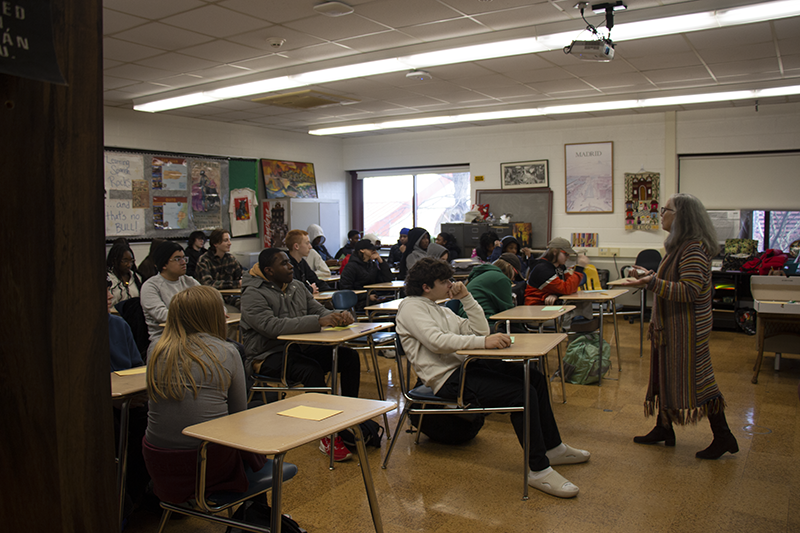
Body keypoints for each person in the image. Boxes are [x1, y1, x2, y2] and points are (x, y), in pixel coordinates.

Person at [395, 258, 589, 498]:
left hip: (466, 368)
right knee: (521, 393)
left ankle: (554, 447)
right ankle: (538, 469)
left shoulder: (441, 309)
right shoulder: (411, 307)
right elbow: (437, 342)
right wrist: (483, 342)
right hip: (447, 380)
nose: (450, 285)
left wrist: (466, 298)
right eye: (444, 281)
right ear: (426, 286)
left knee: (534, 378)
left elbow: (480, 330)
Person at [621, 193, 738, 460]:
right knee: (664, 374)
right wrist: (648, 276)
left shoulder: (694, 249)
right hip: (672, 327)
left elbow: (689, 291)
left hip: (686, 330)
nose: (661, 214)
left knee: (700, 381)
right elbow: (676, 282)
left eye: (666, 210)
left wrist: (649, 283)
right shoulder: (680, 247)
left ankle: (724, 436)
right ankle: (664, 428)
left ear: (681, 216)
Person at [142, 285, 268, 507]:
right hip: (207, 463)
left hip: (158, 462)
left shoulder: (155, 349)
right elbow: (238, 416)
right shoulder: (226, 351)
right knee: (257, 419)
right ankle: (259, 515)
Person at [240, 248, 361, 462]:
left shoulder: (295, 286)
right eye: (284, 264)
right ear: (269, 271)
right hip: (266, 355)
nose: (290, 267)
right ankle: (326, 435)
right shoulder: (253, 293)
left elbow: (317, 310)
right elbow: (271, 326)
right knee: (311, 371)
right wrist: (317, 322)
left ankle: (348, 419)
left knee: (348, 357)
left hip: (299, 347)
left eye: (289, 262)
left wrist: (336, 317)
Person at [107, 278, 150, 518]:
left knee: (152, 427)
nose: (109, 294)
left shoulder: (119, 325)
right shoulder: (74, 329)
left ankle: (135, 496)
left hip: (131, 397)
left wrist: (139, 392)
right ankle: (123, 503)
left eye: (108, 288)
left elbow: (137, 366)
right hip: (104, 402)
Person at [140, 241, 200, 343]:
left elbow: (210, 300)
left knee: (232, 348)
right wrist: (196, 316)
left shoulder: (189, 281)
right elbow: (163, 315)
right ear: (164, 264)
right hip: (165, 341)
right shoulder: (150, 286)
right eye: (177, 259)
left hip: (192, 336)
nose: (183, 262)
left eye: (184, 258)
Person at [525, 237, 592, 324]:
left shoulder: (560, 266)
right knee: (570, 315)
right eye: (566, 254)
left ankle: (588, 334)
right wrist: (580, 268)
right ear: (555, 251)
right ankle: (578, 335)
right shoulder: (542, 269)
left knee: (585, 303)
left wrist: (556, 294)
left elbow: (572, 287)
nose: (568, 257)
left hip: (551, 306)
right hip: (537, 312)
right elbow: (567, 288)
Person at [456, 258, 519, 331]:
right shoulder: (501, 278)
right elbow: (508, 312)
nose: (514, 278)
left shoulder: (483, 274)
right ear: (509, 267)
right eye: (516, 274)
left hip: (468, 321)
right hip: (485, 323)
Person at [339, 238, 393, 310]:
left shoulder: (371, 265)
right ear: (362, 250)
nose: (374, 251)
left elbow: (387, 279)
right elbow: (345, 290)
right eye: (371, 250)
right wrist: (367, 296)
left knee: (391, 303)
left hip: (372, 298)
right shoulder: (351, 267)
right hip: (358, 302)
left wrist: (381, 261)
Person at [285, 229, 331, 295]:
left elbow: (314, 280)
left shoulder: (301, 262)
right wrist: (310, 289)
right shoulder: (287, 265)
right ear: (296, 246)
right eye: (307, 243)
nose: (310, 247)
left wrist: (331, 291)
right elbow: (295, 287)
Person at [107, 241, 143, 306]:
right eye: (125, 261)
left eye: (131, 261)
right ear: (114, 261)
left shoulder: (136, 277)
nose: (129, 265)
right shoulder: (108, 279)